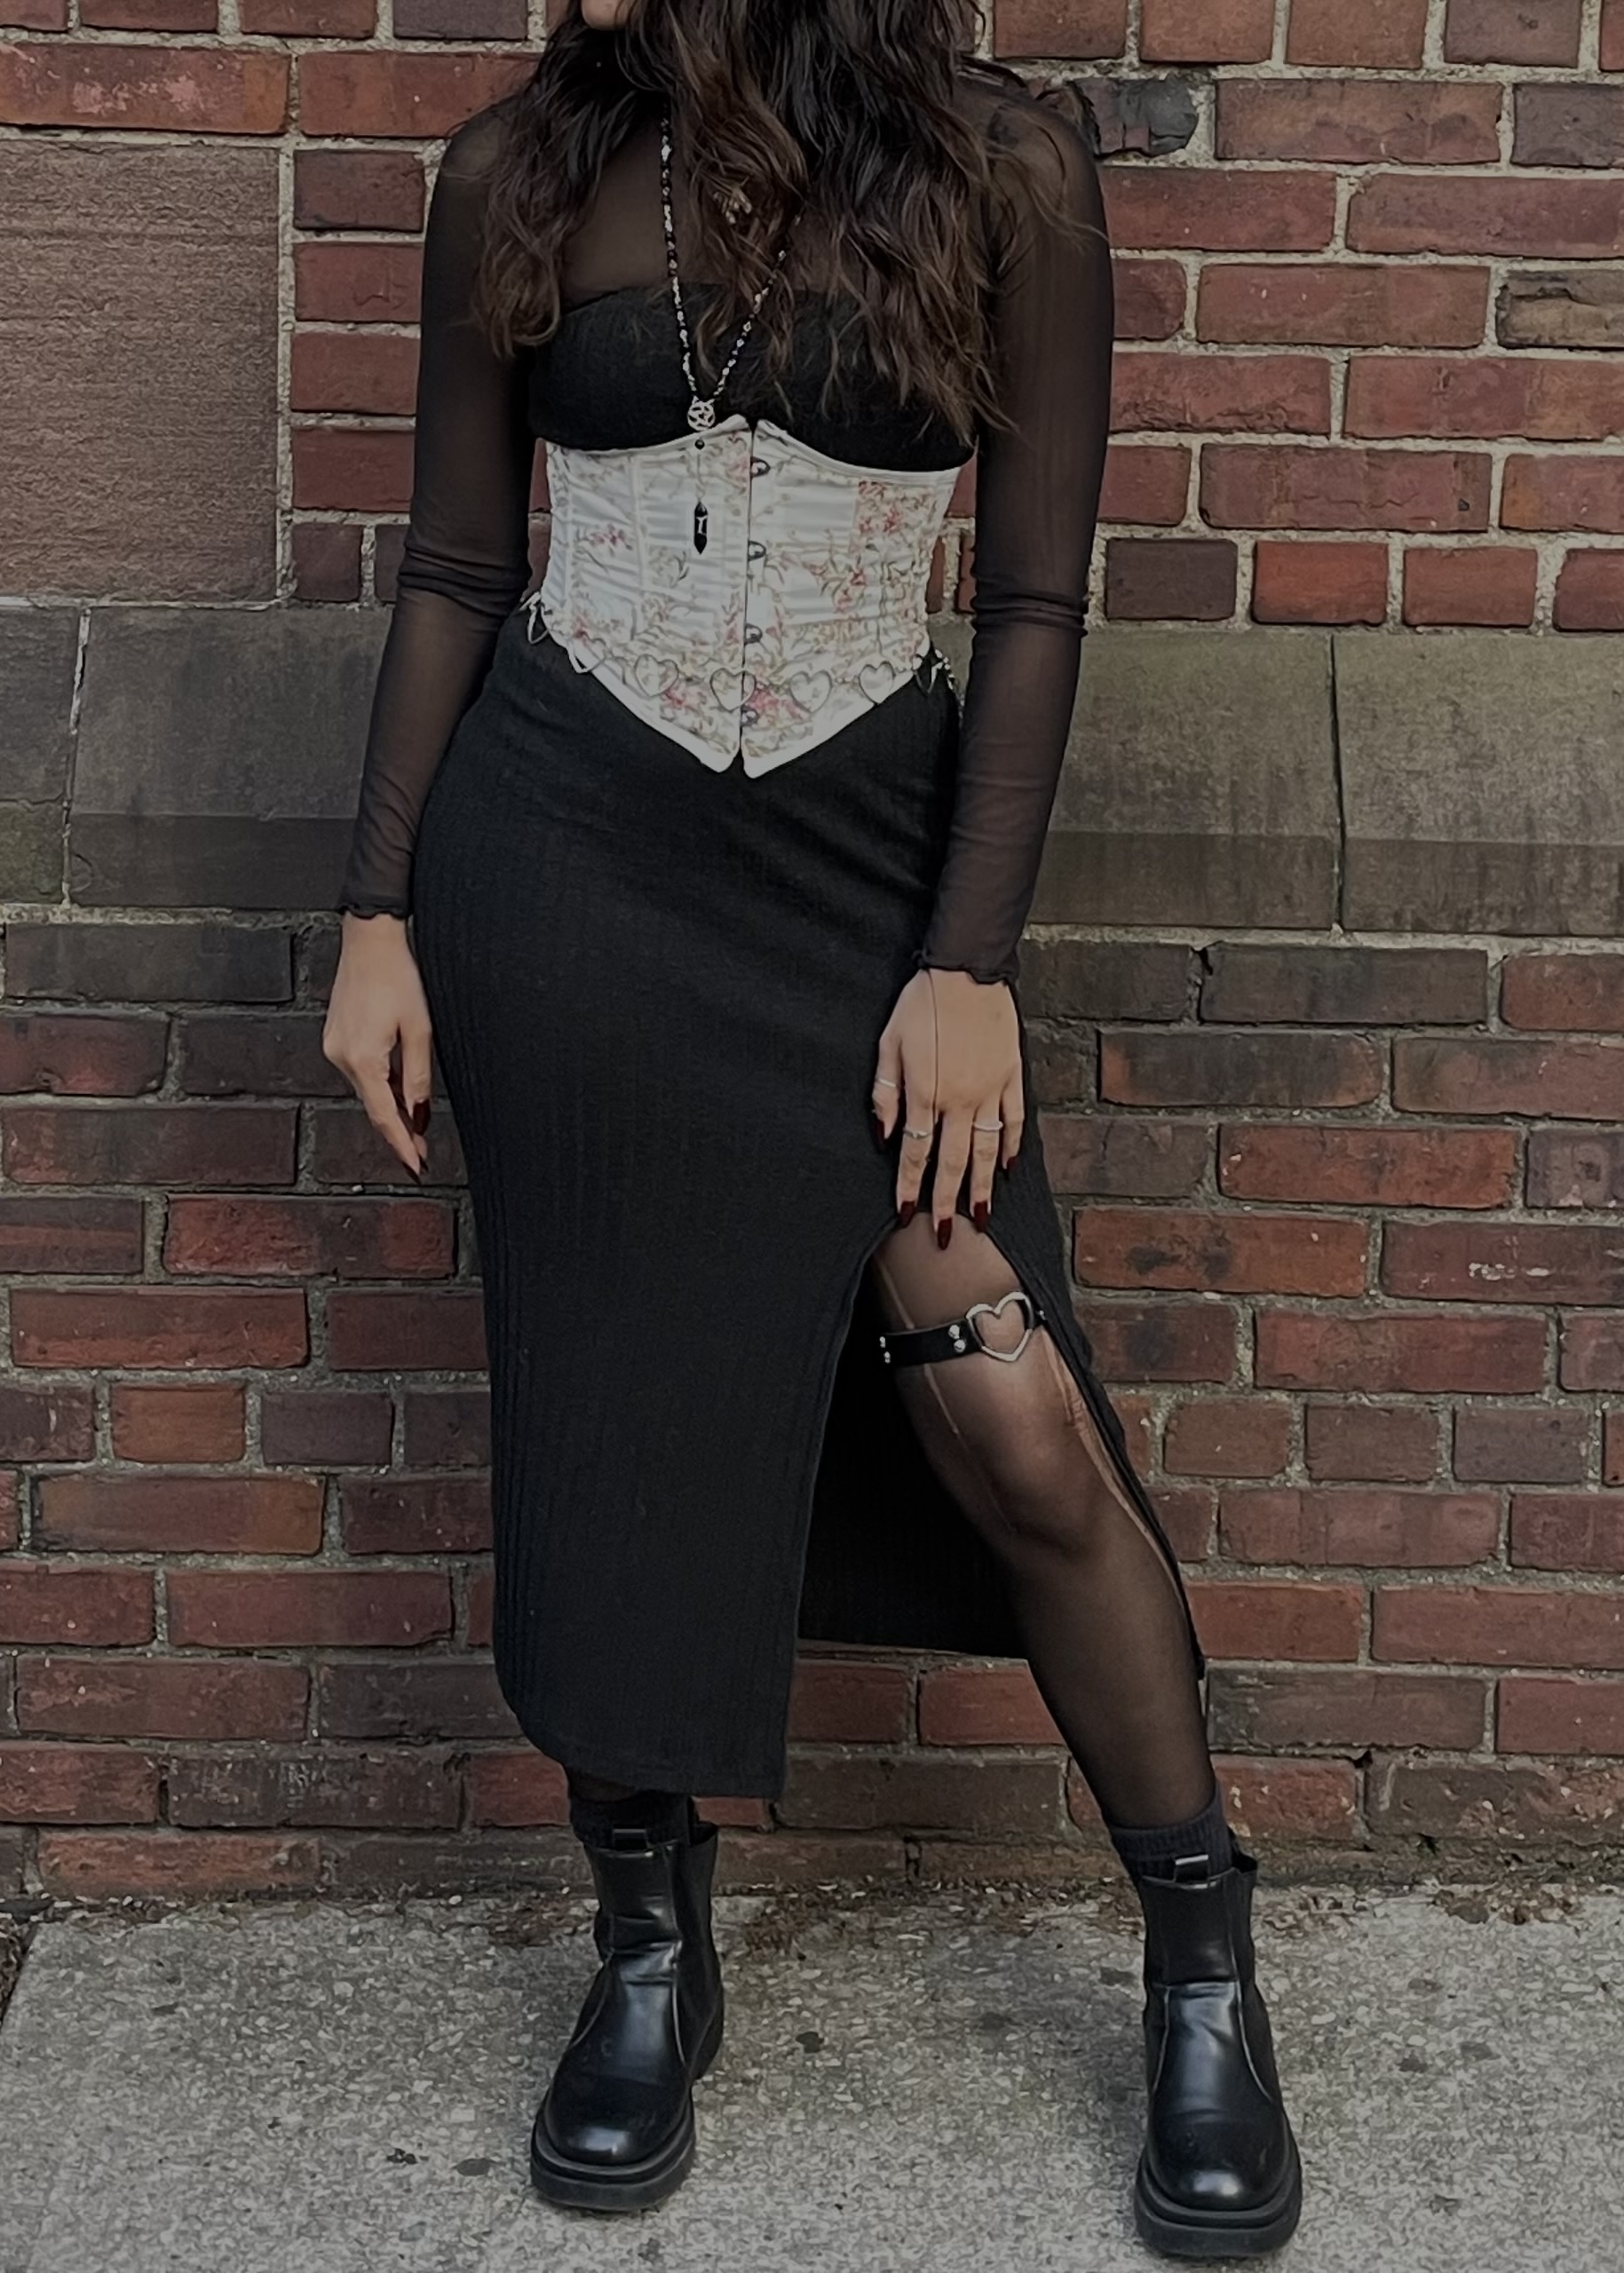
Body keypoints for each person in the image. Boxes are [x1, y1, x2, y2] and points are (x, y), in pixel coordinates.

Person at [321, 0, 1302, 2253]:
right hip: (566, 870)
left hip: (873, 880)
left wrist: (969, 963)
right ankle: (646, 1948)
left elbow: (1033, 599)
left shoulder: (1004, 168)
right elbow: (459, 566)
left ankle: (1202, 1959)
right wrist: (375, 911)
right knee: (613, 1416)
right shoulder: (518, 171)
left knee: (1014, 1414)